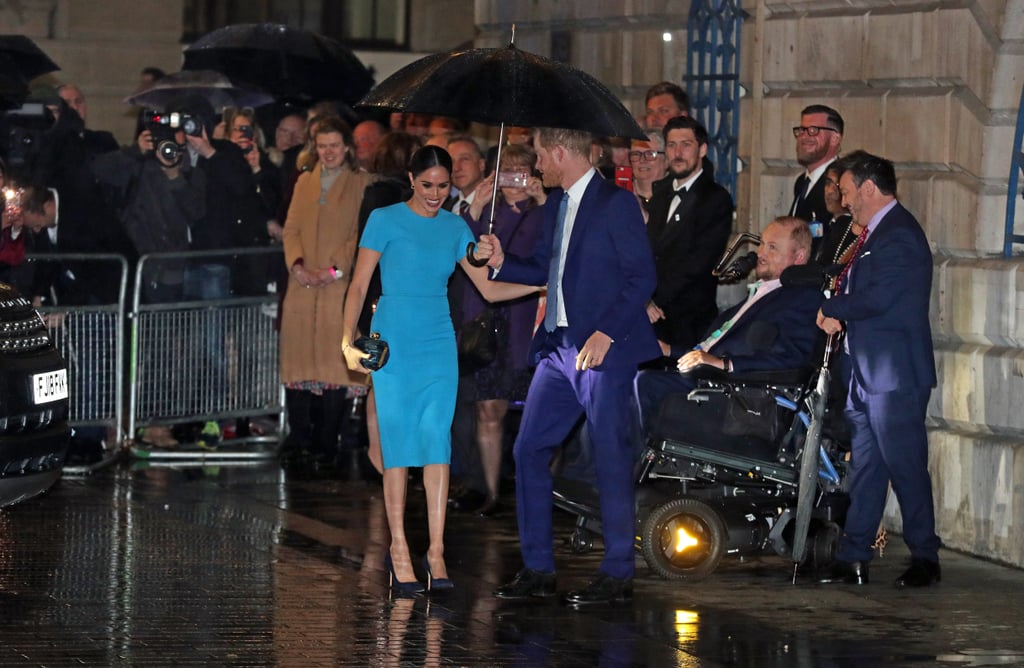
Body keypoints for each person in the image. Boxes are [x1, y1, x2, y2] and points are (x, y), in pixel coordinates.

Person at [341, 145, 536, 593]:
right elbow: (357, 285)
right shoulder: (384, 220)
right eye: (427, 185)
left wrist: (536, 278)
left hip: (437, 342)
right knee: (397, 444)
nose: (434, 193)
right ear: (411, 178)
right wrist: (347, 342)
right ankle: (399, 548)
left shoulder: (455, 226)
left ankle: (436, 551)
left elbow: (489, 288)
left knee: (436, 445)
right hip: (393, 339)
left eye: (443, 186)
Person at [479, 127, 658, 606]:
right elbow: (543, 269)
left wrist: (607, 333)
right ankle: (538, 569)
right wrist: (502, 262)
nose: (538, 166)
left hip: (603, 351)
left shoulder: (615, 204)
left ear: (560, 152)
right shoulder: (556, 205)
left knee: (610, 456)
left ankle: (618, 572)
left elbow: (643, 276)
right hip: (558, 350)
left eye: (540, 156)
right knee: (529, 449)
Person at [816, 150, 941, 588]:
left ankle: (926, 556)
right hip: (866, 372)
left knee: (905, 466)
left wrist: (834, 307)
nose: (844, 200)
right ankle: (854, 555)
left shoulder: (899, 235)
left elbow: (879, 299)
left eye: (847, 191)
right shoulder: (872, 233)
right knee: (867, 467)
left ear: (869, 187)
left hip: (894, 375)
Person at [635, 216, 822, 436]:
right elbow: (706, 352)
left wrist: (727, 364)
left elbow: (793, 359)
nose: (760, 253)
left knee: (645, 383)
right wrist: (667, 349)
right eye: (761, 243)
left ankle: (617, 466)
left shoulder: (803, 299)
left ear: (798, 257)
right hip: (706, 376)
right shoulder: (758, 294)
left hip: (734, 393)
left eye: (772, 247)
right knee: (626, 375)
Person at [455, 143, 545, 516]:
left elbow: (546, 254)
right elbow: (465, 250)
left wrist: (542, 199)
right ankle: (490, 492)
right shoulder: (486, 213)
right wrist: (474, 207)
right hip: (486, 316)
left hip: (525, 318)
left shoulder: (543, 212)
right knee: (487, 409)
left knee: (531, 411)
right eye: (505, 174)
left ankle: (532, 489)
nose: (513, 182)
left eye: (520, 173)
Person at [280, 115, 372, 466]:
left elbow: (359, 234)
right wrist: (298, 265)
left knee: (334, 365)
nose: (329, 152)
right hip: (301, 284)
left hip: (338, 285)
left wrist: (333, 269)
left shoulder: (361, 184)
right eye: (322, 146)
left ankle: (326, 442)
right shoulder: (304, 182)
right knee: (298, 362)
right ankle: (299, 437)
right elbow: (290, 229)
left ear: (346, 147)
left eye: (335, 145)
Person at [354, 131, 424, 473]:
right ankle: (378, 451)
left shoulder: (379, 194)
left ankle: (384, 451)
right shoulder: (387, 198)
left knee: (387, 377)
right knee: (383, 377)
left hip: (388, 297)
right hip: (385, 298)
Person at [644, 115, 734, 359]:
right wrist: (643, 299)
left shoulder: (716, 199)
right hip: (650, 316)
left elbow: (699, 262)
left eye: (686, 144)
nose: (678, 152)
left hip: (689, 321)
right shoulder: (660, 195)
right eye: (672, 145)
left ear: (702, 149)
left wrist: (653, 299)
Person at [790, 104, 844, 241]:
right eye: (801, 130)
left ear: (835, 139)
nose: (803, 137)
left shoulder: (842, 183)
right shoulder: (802, 182)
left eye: (813, 130)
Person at [629, 130, 667, 213]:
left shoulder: (674, 195)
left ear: (666, 159)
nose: (642, 160)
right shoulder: (621, 193)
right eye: (636, 154)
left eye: (650, 154)